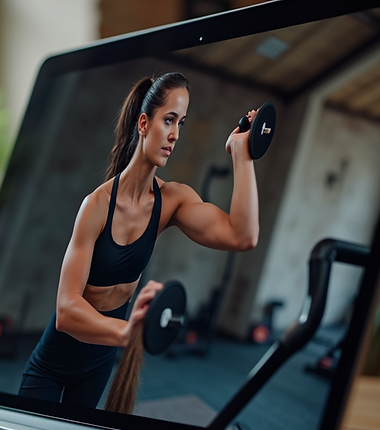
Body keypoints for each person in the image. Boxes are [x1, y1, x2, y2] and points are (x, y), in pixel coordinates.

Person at [18, 72, 261, 412]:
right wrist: (128, 332)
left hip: (99, 363)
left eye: (181, 123)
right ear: (144, 123)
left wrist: (242, 155)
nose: (175, 134)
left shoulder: (172, 200)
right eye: (169, 120)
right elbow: (66, 311)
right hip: (53, 363)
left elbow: (243, 235)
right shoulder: (97, 205)